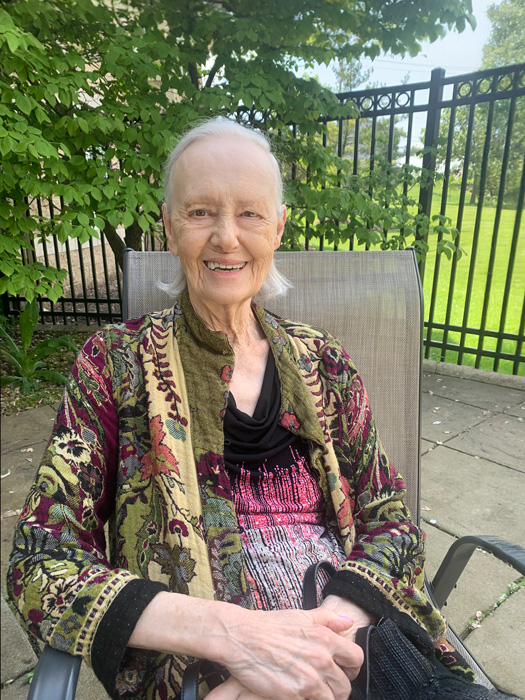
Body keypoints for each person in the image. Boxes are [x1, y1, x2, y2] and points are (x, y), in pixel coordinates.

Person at [6, 118, 499, 700]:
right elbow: (40, 562)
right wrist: (238, 638)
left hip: (364, 649)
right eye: (200, 212)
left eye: (250, 213)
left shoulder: (325, 362)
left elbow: (390, 517)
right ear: (169, 228)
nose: (226, 237)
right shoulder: (113, 365)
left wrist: (325, 632)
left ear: (278, 227)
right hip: (202, 675)